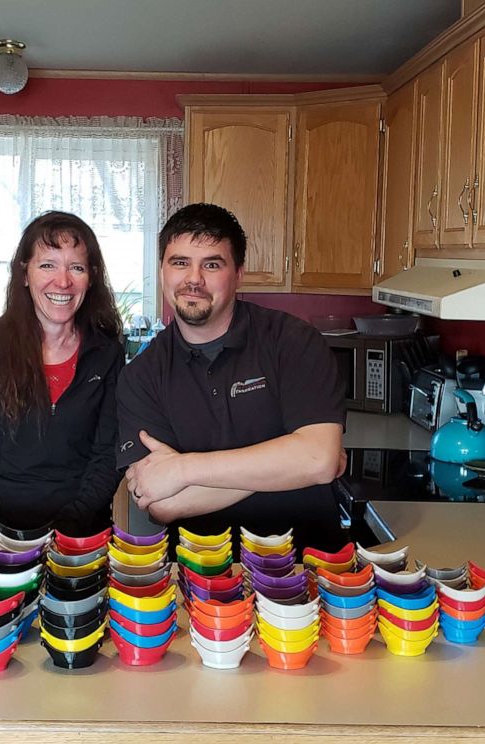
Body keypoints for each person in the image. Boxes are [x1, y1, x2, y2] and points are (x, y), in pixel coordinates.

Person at [116, 203, 348, 551]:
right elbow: (162, 503)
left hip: (310, 564)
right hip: (203, 572)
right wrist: (292, 460)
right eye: (180, 262)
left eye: (212, 264)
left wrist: (183, 469)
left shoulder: (293, 341)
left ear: (239, 273)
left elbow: (318, 460)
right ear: (162, 270)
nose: (194, 279)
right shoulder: (141, 376)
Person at [0, 211, 124, 535]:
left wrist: (67, 532)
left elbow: (106, 457)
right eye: (48, 265)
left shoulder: (108, 353)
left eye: (77, 267)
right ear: (24, 273)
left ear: (91, 277)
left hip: (83, 538)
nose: (63, 281)